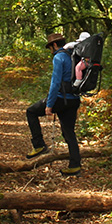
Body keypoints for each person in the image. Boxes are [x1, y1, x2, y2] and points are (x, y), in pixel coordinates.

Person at [25, 32, 82, 176]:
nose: (51, 50)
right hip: (74, 100)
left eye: (50, 47)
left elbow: (55, 83)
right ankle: (75, 166)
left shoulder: (59, 57)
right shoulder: (74, 55)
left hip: (60, 99)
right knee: (69, 132)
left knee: (31, 112)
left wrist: (49, 105)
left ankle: (39, 145)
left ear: (54, 45)